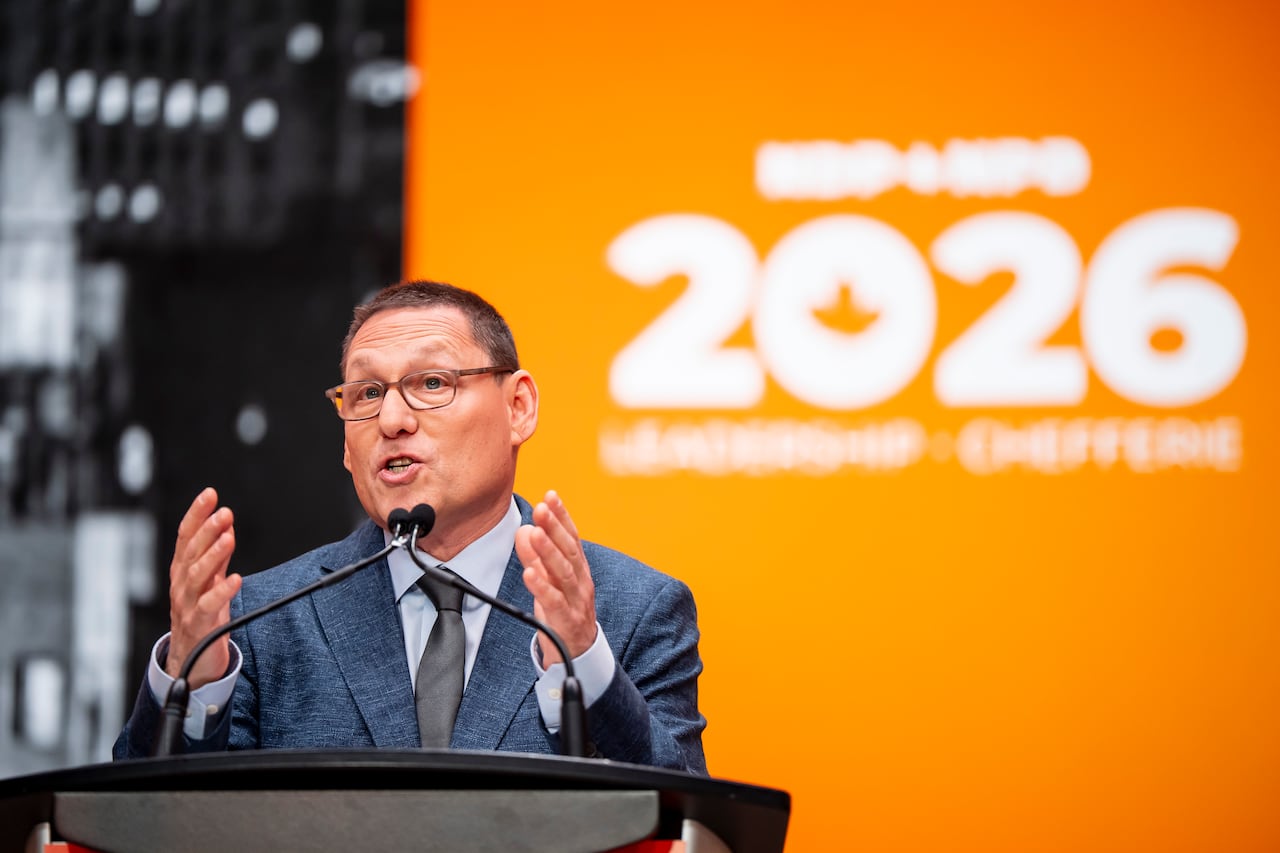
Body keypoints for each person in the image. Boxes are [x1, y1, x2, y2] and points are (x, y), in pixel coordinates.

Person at [113, 280, 706, 773]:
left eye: (431, 384)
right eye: (367, 393)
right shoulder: (261, 621)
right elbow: (142, 821)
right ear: (346, 446)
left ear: (518, 408)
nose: (392, 419)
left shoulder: (635, 609)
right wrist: (191, 676)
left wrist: (584, 661)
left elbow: (687, 822)